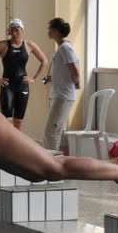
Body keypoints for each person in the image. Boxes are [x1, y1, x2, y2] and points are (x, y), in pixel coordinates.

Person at [0, 18, 48, 130]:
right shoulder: (2, 44)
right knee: (7, 120)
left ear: (22, 30)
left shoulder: (29, 45)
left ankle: (17, 141)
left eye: (17, 30)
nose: (14, 33)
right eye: (11, 30)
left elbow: (44, 61)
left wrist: (34, 78)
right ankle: (7, 140)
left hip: (22, 85)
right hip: (7, 86)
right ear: (9, 31)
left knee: (19, 121)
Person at [42, 17, 80, 153]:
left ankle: (50, 160)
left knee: (51, 132)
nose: (48, 31)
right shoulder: (61, 48)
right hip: (59, 94)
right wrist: (51, 78)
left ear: (57, 31)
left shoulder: (65, 48)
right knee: (55, 130)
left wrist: (72, 86)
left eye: (50, 29)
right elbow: (64, 72)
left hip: (63, 96)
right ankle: (53, 159)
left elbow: (75, 72)